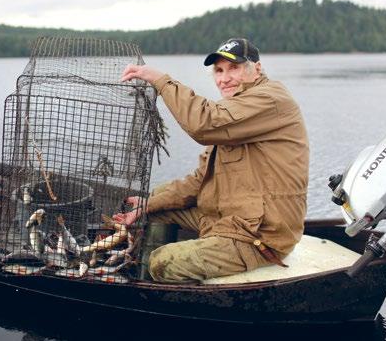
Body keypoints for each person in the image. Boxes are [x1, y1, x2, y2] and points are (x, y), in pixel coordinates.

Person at [115, 38, 309, 282]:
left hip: (259, 233)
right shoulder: (235, 109)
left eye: (233, 68)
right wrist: (148, 205)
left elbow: (203, 124)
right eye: (218, 70)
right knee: (156, 202)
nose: (224, 78)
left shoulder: (271, 100)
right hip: (228, 217)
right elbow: (200, 180)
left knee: (162, 261)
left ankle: (156, 288)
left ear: (257, 69)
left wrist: (161, 80)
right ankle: (140, 273)